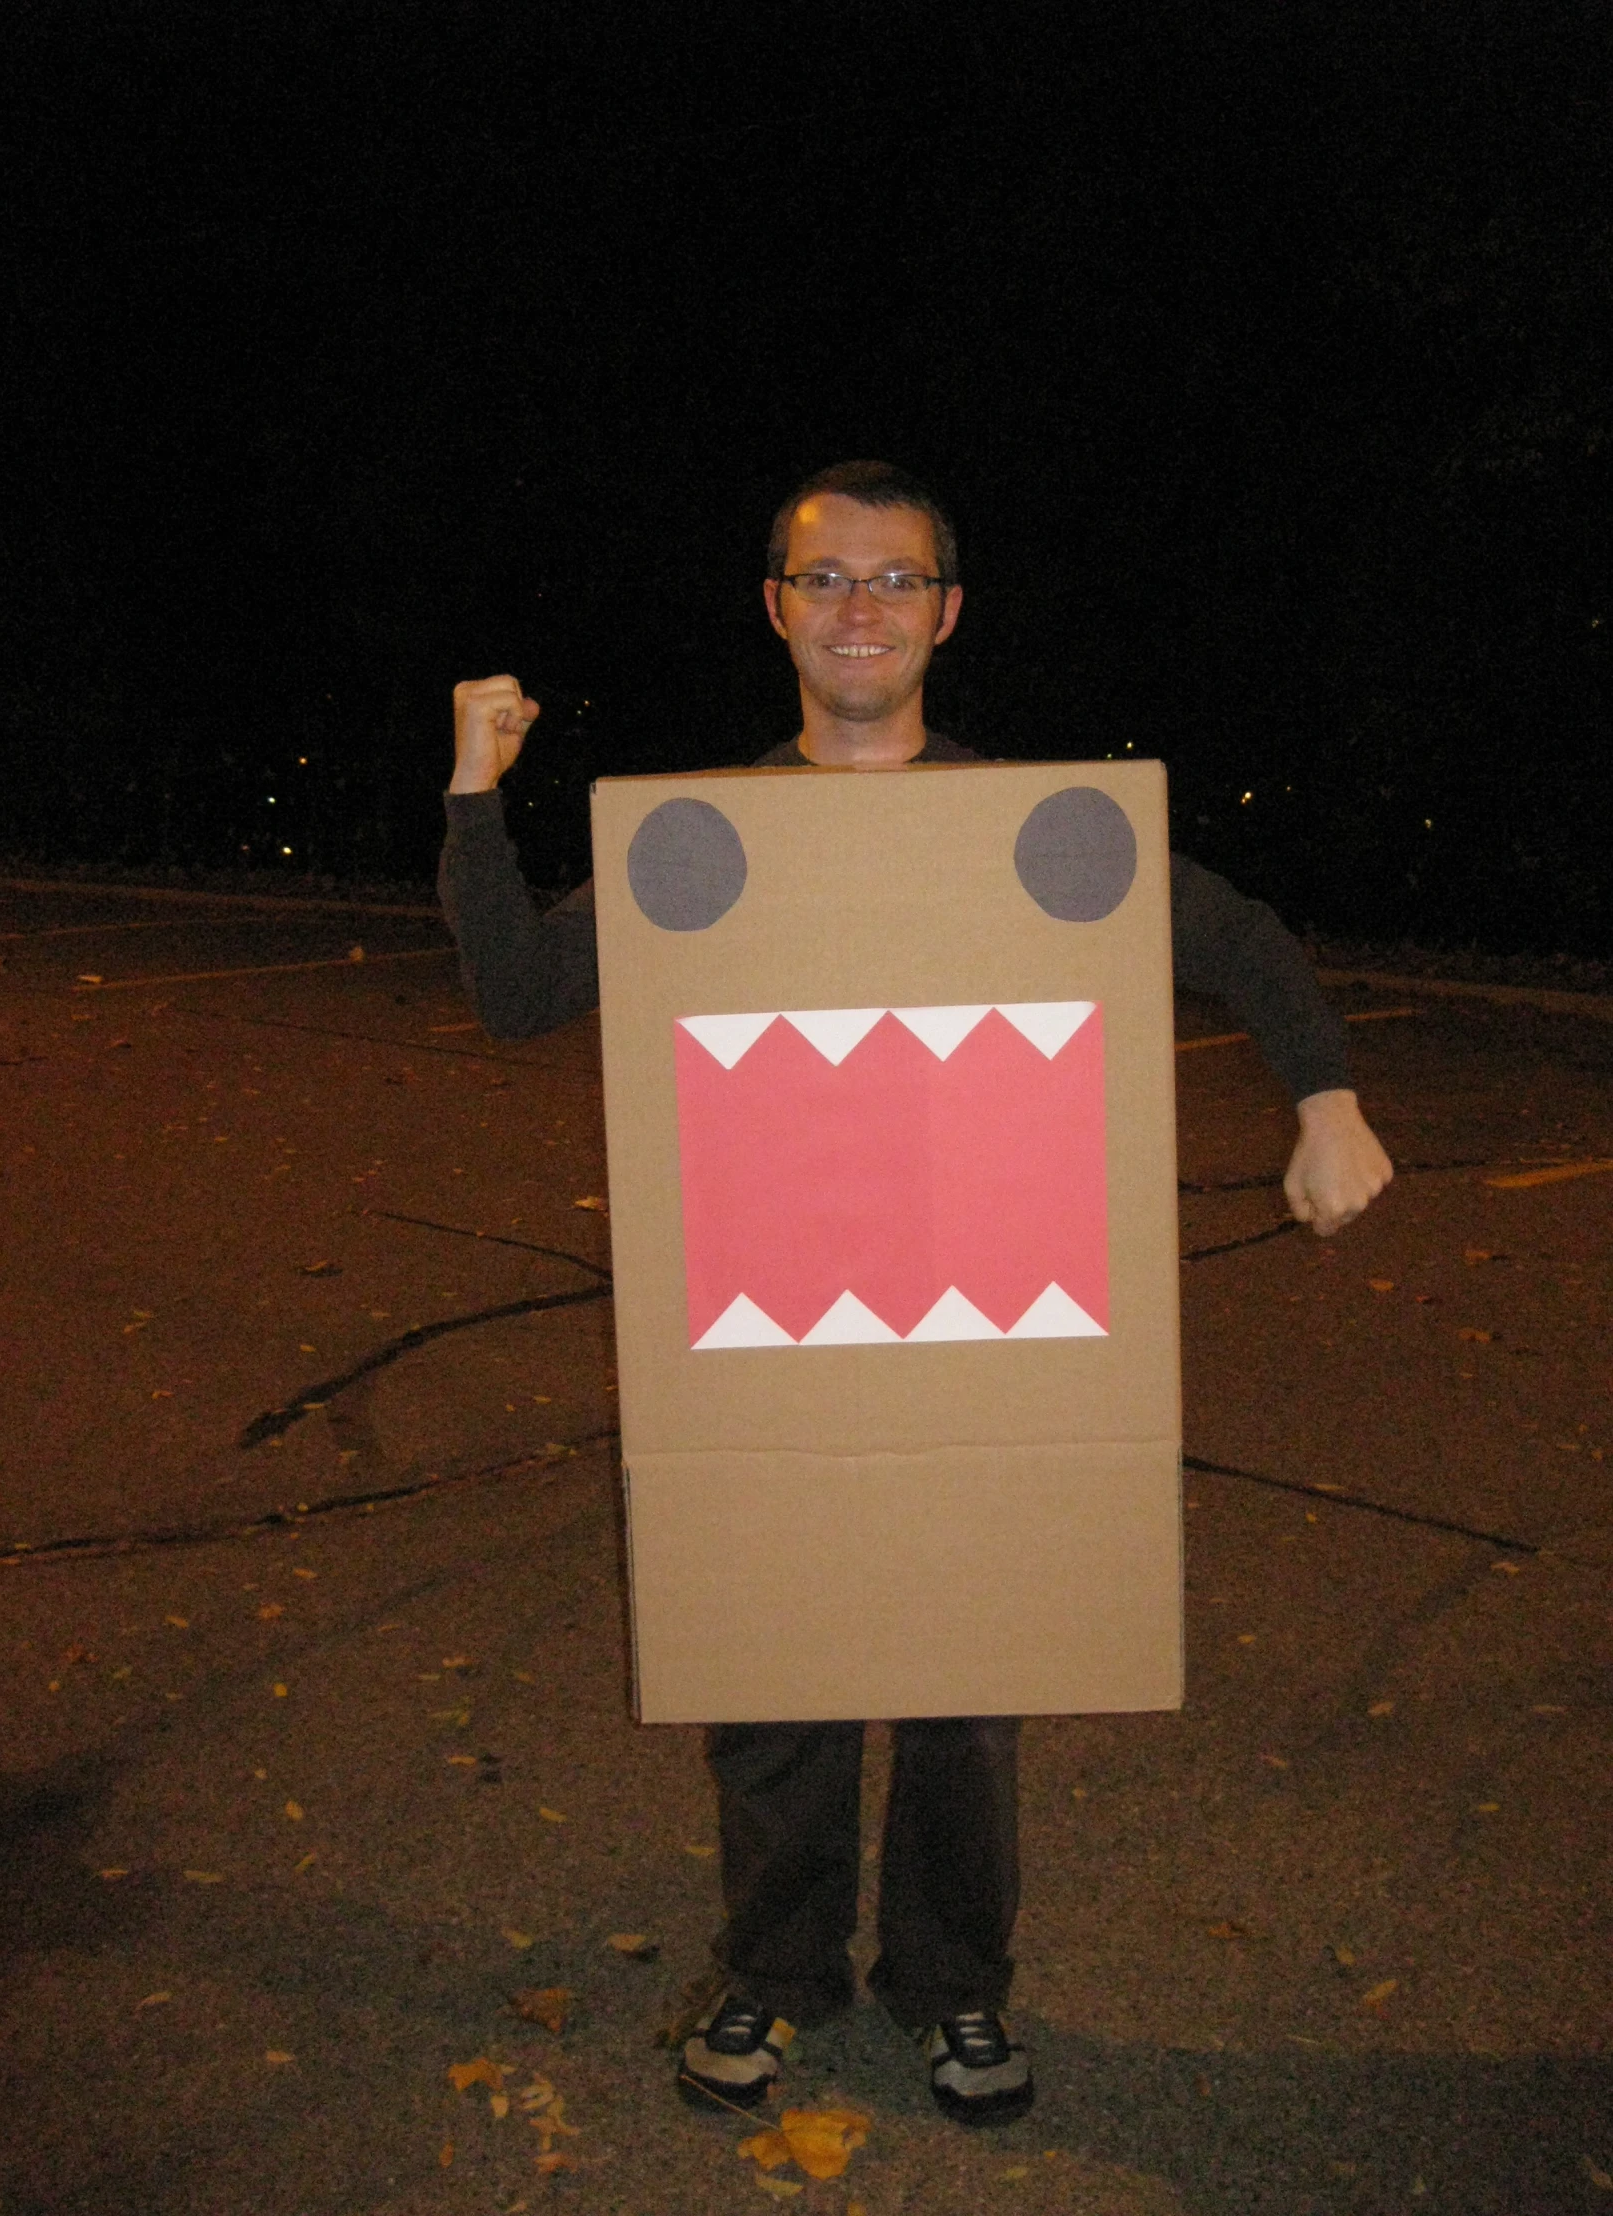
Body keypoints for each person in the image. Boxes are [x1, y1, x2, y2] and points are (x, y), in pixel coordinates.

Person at [439, 461, 1394, 2126]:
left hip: (978, 1337)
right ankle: (776, 1982)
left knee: (964, 1708)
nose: (857, 608)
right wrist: (474, 792)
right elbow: (521, 993)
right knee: (777, 1700)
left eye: (892, 580)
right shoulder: (702, 847)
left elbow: (1233, 936)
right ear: (776, 608)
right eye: (824, 581)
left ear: (945, 611)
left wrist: (1326, 1097)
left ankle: (953, 1990)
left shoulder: (1030, 834)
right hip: (770, 1345)